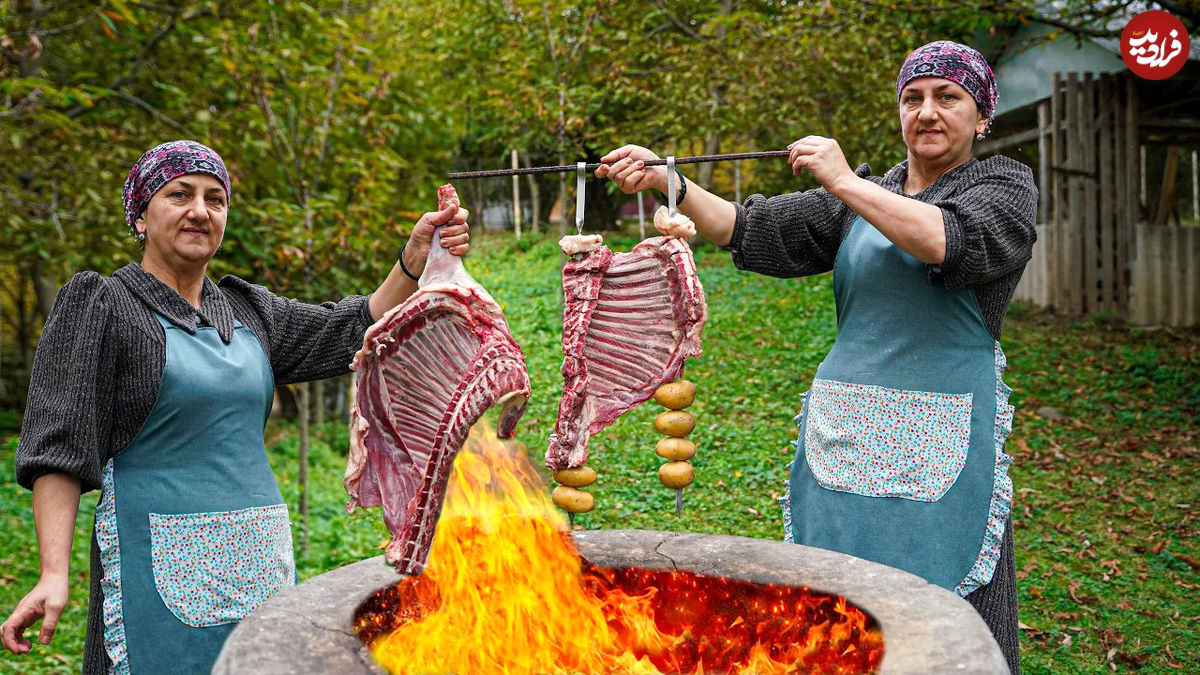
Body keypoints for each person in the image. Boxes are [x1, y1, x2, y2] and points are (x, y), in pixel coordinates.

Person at [597, 41, 1035, 673]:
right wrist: (674, 183)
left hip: (944, 440)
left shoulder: (1002, 185)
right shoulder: (866, 193)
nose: (928, 112)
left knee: (947, 615)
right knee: (836, 605)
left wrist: (845, 181)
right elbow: (744, 228)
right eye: (913, 99)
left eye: (948, 97)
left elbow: (948, 240)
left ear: (982, 115)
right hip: (848, 434)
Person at [0, 140, 471, 674]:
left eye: (214, 199)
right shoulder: (104, 307)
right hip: (155, 574)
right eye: (179, 194)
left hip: (259, 563)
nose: (200, 210)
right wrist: (52, 572)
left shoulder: (250, 311)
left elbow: (352, 328)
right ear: (139, 216)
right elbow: (60, 451)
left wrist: (412, 262)